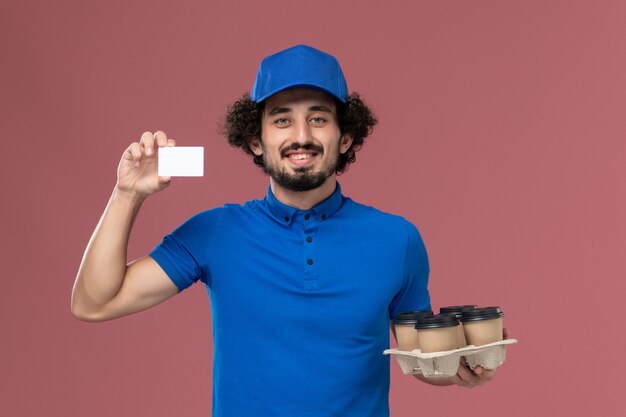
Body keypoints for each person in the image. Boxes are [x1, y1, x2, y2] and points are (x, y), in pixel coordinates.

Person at [72, 45, 504, 417]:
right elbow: (95, 303)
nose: (301, 136)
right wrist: (127, 193)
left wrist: (458, 369)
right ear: (255, 140)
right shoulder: (214, 232)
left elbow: (419, 356)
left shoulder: (397, 239)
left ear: (346, 137)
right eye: (281, 120)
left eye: (318, 119)